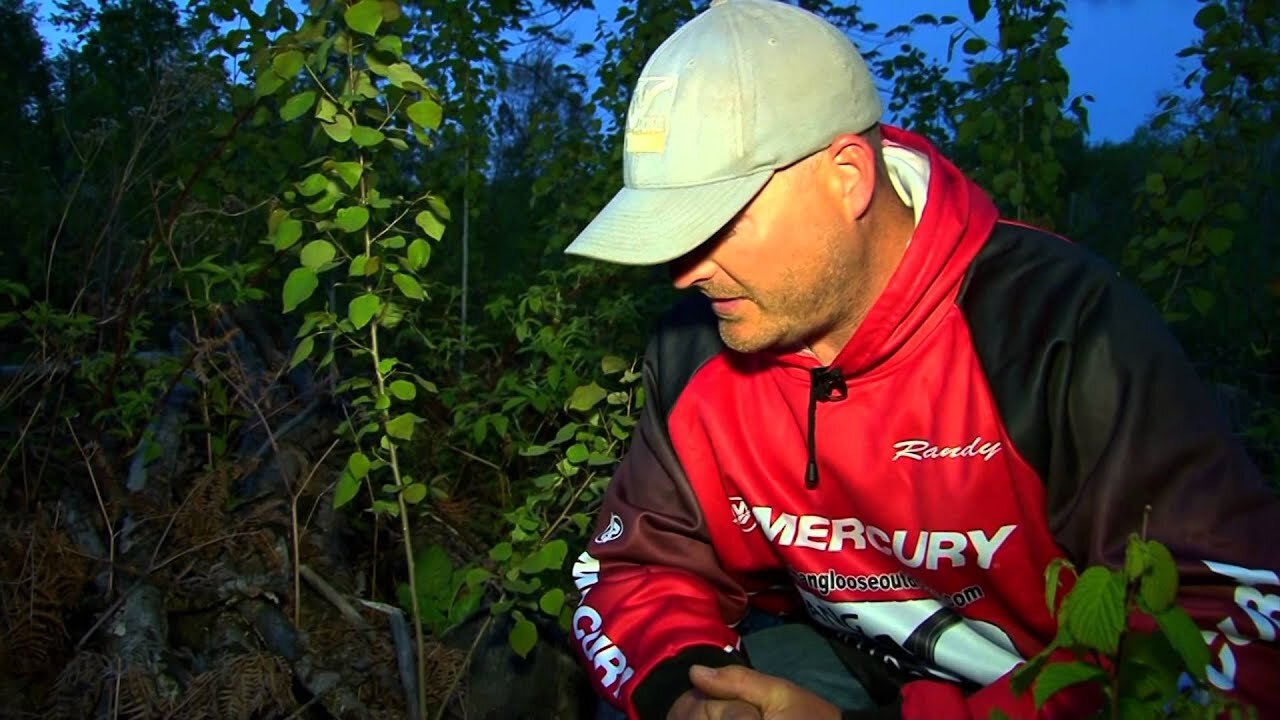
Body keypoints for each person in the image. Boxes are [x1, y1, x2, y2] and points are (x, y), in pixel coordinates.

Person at [561, 1, 1280, 718]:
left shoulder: (1058, 330)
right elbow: (638, 569)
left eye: (715, 223)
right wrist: (692, 698)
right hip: (836, 663)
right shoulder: (698, 348)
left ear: (848, 177)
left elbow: (1222, 616)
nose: (684, 272)